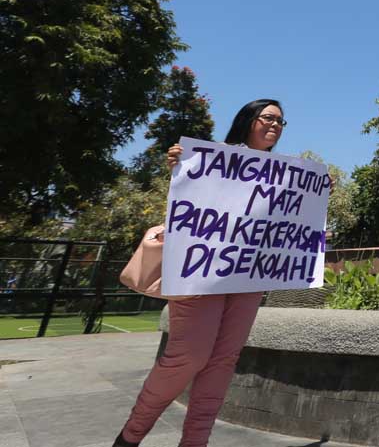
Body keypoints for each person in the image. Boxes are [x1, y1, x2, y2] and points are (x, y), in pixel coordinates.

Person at [115, 99, 287, 447]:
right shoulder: (212, 156)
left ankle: (195, 442)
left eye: (281, 122)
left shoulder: (284, 175)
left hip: (247, 277)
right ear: (248, 119)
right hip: (200, 272)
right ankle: (130, 438)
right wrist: (179, 166)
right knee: (188, 356)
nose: (275, 125)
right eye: (268, 118)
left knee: (223, 361)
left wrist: (318, 191)